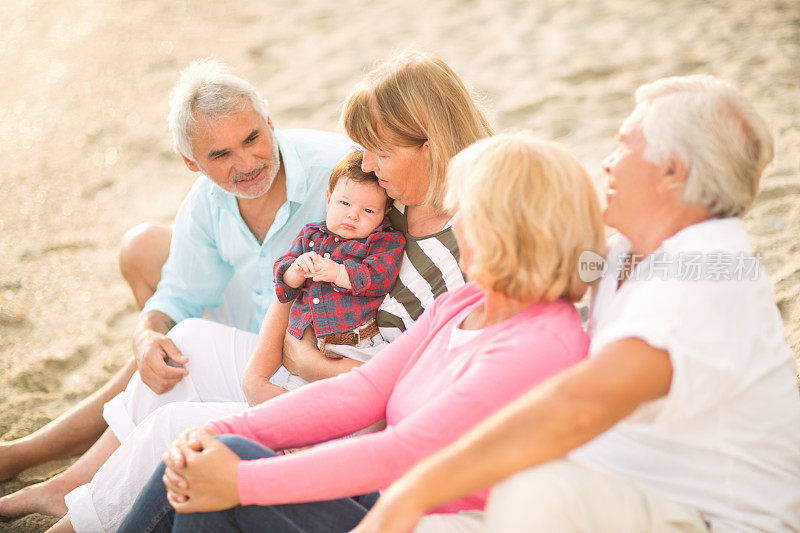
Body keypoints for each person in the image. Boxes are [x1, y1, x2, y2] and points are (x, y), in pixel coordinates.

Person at [39, 51, 493, 533]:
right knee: (185, 342)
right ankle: (74, 490)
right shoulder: (390, 196)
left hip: (350, 397)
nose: (362, 163)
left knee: (179, 436)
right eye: (364, 149)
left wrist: (306, 365)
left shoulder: (461, 243)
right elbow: (289, 275)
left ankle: (79, 516)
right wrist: (263, 368)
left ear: (428, 145)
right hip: (316, 361)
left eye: (377, 151)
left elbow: (413, 385)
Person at [353, 75, 800, 533]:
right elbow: (549, 266)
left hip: (710, 519)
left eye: (625, 146)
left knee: (532, 488)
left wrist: (417, 486)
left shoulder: (706, 275)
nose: (608, 163)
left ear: (673, 171)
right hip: (622, 498)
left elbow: (579, 406)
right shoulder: (630, 251)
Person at [119, 132, 607, 533]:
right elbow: (363, 391)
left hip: (418, 519)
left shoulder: (542, 344)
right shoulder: (467, 301)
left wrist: (244, 482)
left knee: (217, 469)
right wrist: (225, 429)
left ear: (516, 228)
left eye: (471, 215)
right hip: (378, 495)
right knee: (207, 453)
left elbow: (405, 452)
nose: (458, 228)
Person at [0, 59, 354, 518]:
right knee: (162, 326)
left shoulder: (335, 170)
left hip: (313, 349)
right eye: (220, 155)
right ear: (191, 163)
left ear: (270, 122)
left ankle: (43, 463)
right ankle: (63, 475)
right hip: (257, 329)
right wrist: (144, 334)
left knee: (181, 350)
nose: (246, 164)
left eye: (252, 138)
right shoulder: (207, 201)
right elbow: (176, 297)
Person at [273, 149, 405, 390]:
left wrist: (338, 273)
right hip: (313, 345)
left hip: (361, 345)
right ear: (328, 198)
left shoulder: (383, 241)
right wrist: (297, 270)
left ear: (384, 214)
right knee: (293, 402)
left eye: (368, 211)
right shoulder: (311, 235)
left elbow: (379, 277)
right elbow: (283, 286)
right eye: (344, 203)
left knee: (376, 397)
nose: (352, 215)